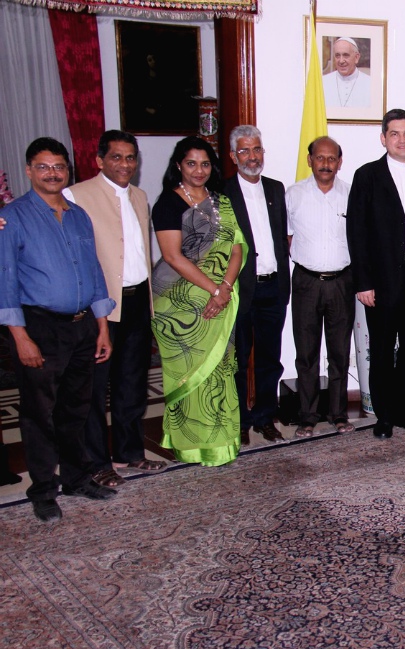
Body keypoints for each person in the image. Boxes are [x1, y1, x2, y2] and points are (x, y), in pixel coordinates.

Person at [0, 137, 117, 522]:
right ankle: (43, 490)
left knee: (77, 408)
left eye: (59, 167)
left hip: (84, 326)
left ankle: (76, 478)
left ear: (69, 170)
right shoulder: (13, 217)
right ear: (30, 171)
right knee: (39, 413)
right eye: (44, 167)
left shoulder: (79, 215)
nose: (53, 173)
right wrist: (20, 336)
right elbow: (6, 279)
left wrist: (102, 327)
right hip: (40, 328)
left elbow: (95, 271)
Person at [64, 130, 162, 489]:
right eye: (117, 157)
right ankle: (96, 462)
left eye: (131, 157)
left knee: (132, 381)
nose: (125, 164)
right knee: (94, 388)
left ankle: (129, 451)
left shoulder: (140, 195)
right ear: (99, 160)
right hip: (101, 305)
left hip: (137, 300)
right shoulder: (76, 195)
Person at [346, 109, 405, 439]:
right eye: (394, 134)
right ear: (383, 138)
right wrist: (363, 282)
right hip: (381, 278)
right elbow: (356, 232)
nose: (402, 140)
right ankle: (384, 417)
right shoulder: (367, 176)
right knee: (384, 350)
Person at [151, 137, 246, 466]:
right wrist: (215, 290)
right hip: (178, 306)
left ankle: (221, 441)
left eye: (205, 163)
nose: (199, 170)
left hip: (220, 299)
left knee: (220, 370)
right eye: (191, 163)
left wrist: (226, 287)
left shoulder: (222, 202)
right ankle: (191, 445)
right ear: (178, 165)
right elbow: (172, 256)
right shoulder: (168, 203)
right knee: (189, 376)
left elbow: (237, 248)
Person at [223, 125, 290, 447]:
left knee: (269, 359)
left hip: (273, 287)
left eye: (257, 149)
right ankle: (239, 421)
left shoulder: (277, 189)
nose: (252, 157)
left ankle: (265, 417)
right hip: (238, 290)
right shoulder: (221, 193)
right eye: (245, 151)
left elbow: (282, 238)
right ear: (234, 156)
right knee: (236, 359)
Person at [286, 137, 355, 438]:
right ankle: (308, 417)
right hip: (306, 283)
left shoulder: (352, 195)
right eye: (320, 158)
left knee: (339, 352)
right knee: (307, 353)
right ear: (309, 159)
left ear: (340, 162)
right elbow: (286, 238)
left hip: (342, 282)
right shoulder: (293, 195)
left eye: (332, 159)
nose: (326, 164)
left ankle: (338, 414)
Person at [323, 37, 372, 109]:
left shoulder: (370, 83)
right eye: (337, 55)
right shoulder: (323, 82)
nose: (341, 61)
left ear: (356, 57)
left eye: (346, 55)